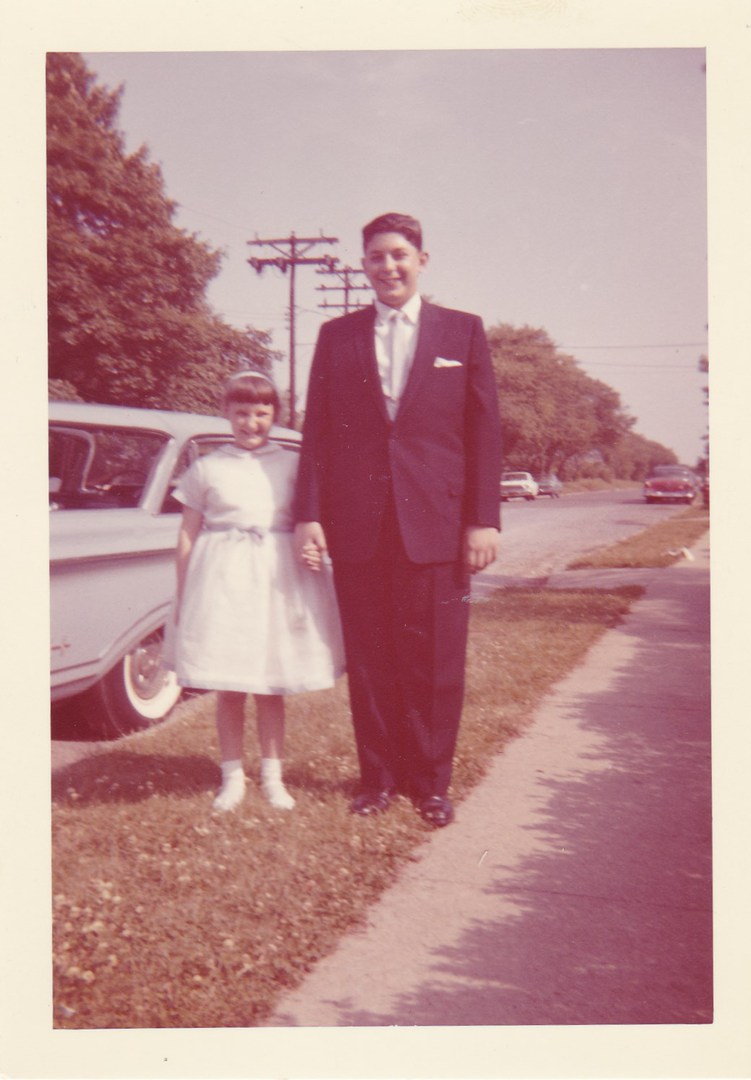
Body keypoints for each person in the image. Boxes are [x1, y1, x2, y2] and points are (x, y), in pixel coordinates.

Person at [294, 212, 502, 828]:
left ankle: (431, 783)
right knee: (372, 658)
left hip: (436, 525)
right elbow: (318, 434)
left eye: (399, 255)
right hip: (359, 526)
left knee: (434, 660)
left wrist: (482, 521)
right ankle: (378, 779)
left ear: (422, 260)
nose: (388, 266)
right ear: (363, 265)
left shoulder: (461, 332)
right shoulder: (338, 335)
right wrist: (309, 515)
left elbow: (483, 431)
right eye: (376, 257)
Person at [171, 370, 344, 812]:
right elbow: (188, 534)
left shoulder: (292, 463)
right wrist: (185, 589)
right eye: (242, 413)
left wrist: (312, 550)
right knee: (230, 684)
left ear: (276, 415)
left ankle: (272, 776)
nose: (251, 423)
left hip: (276, 578)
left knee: (271, 683)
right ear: (226, 413)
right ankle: (231, 777)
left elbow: (311, 521)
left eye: (262, 413)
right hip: (224, 581)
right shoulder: (207, 467)